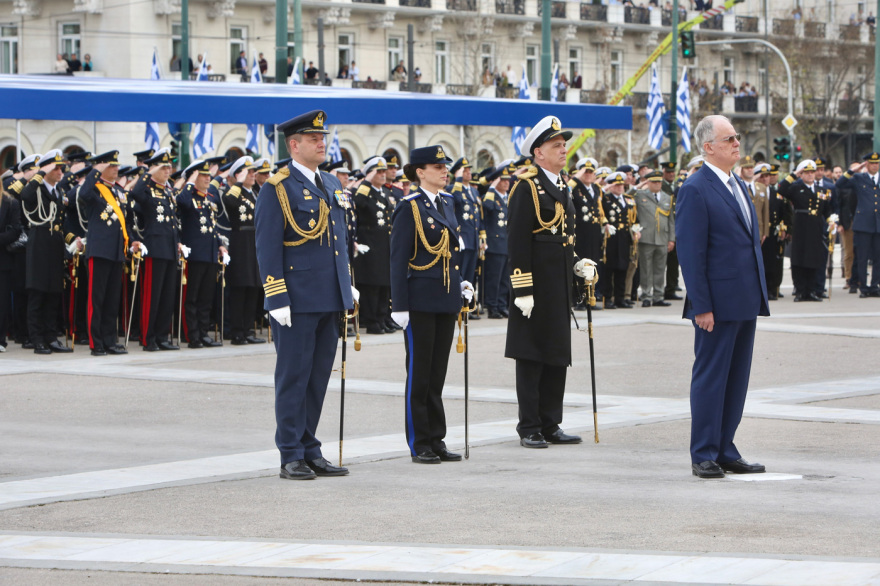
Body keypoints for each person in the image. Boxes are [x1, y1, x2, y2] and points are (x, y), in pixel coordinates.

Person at [254, 109, 356, 480]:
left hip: (329, 295)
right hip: (295, 299)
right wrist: (276, 296)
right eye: (313, 138)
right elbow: (267, 247)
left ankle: (310, 448)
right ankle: (290, 453)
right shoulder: (276, 187)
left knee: (317, 377)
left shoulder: (330, 183)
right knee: (293, 376)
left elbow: (340, 242)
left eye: (322, 137)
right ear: (294, 145)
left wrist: (347, 285)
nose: (321, 142)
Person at [676, 115, 769, 479]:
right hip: (715, 302)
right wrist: (702, 305)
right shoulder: (696, 188)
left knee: (736, 378)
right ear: (708, 147)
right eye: (729, 138)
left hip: (744, 298)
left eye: (737, 137)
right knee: (712, 377)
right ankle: (703, 452)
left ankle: (725, 447)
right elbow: (691, 253)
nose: (737, 143)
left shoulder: (738, 185)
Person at [505, 116, 595, 448]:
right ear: (538, 152)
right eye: (556, 145)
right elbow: (517, 243)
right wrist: (522, 289)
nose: (563, 149)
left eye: (564, 144)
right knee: (531, 355)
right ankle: (529, 425)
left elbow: (563, 240)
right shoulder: (527, 187)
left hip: (558, 285)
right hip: (533, 288)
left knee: (557, 353)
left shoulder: (561, 186)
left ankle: (550, 422)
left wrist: (576, 265)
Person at [390, 145, 472, 464]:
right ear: (420, 172)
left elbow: (450, 251)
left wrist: (462, 280)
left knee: (437, 374)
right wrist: (399, 305)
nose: (444, 170)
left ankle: (437, 438)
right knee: (420, 375)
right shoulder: (409, 207)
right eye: (437, 167)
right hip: (420, 301)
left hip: (446, 298)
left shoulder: (449, 202)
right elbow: (398, 259)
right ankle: (420, 441)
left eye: (445, 166)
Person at [77, 150, 141, 355]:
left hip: (116, 251)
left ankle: (110, 340)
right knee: (97, 299)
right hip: (99, 251)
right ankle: (97, 343)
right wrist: (95, 170)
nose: (116, 169)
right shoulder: (94, 188)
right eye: (111, 165)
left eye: (116, 165)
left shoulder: (119, 192)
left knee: (113, 300)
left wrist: (132, 241)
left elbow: (125, 222)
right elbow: (83, 195)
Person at [20, 150, 74, 355]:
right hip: (40, 241)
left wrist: (71, 240)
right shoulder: (36, 188)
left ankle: (51, 337)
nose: (61, 172)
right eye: (57, 168)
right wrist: (40, 174)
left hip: (55, 244)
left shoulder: (58, 191)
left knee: (53, 292)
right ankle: (37, 339)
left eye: (61, 168)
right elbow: (24, 196)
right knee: (38, 292)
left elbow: (61, 222)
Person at [128, 148, 182, 352]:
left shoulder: (167, 191)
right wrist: (149, 173)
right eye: (164, 167)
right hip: (154, 248)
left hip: (168, 248)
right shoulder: (148, 188)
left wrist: (177, 241)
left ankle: (162, 336)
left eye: (169, 167)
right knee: (152, 296)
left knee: (167, 296)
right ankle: (148, 337)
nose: (168, 171)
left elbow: (173, 222)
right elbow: (135, 193)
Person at [177, 159, 226, 348]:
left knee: (206, 297)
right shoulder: (189, 197)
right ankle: (193, 335)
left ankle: (204, 332)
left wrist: (220, 244)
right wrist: (190, 181)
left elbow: (212, 227)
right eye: (203, 175)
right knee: (193, 297)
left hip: (210, 253)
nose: (207, 179)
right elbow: (182, 202)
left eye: (208, 175)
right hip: (194, 254)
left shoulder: (209, 199)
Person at [222, 156, 266, 345]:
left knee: (253, 287)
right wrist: (238, 182)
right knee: (240, 287)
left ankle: (249, 329)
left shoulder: (254, 193)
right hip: (240, 241)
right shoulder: (235, 192)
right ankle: (237, 331)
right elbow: (229, 202)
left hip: (254, 241)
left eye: (252, 172)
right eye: (248, 172)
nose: (252, 175)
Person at [778, 160, 835, 301]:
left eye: (812, 172)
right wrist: (794, 175)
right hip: (800, 228)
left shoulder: (822, 191)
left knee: (814, 259)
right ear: (802, 175)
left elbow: (827, 210)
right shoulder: (796, 188)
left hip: (815, 229)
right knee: (799, 259)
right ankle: (800, 291)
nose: (810, 175)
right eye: (806, 173)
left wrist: (831, 222)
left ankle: (811, 290)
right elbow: (781, 189)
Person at [352, 156, 393, 334]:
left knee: (384, 283)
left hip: (384, 244)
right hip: (371, 243)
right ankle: (372, 320)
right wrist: (367, 181)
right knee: (372, 285)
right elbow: (358, 203)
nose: (383, 175)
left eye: (384, 171)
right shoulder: (365, 191)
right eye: (379, 172)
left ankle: (382, 317)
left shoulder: (384, 194)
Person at [836, 152, 880, 297]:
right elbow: (839, 183)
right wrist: (852, 171)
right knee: (862, 257)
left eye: (877, 163)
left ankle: (874, 286)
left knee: (877, 257)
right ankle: (864, 287)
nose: (875, 165)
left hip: (878, 224)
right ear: (866, 164)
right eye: (872, 163)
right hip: (863, 224)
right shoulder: (859, 178)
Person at [633, 171, 674, 307]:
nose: (657, 184)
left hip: (662, 237)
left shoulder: (667, 198)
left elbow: (671, 220)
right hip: (646, 237)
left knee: (660, 268)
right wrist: (640, 185)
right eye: (654, 182)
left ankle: (658, 296)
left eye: (659, 182)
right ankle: (646, 295)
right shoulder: (640, 195)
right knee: (646, 269)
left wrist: (671, 239)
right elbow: (627, 194)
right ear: (648, 183)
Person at [600, 172, 636, 309]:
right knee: (609, 269)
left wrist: (637, 231)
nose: (620, 187)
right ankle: (608, 298)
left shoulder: (628, 199)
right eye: (617, 185)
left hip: (625, 237)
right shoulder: (606, 199)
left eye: (622, 185)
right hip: (611, 238)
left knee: (623, 267)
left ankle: (620, 298)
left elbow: (634, 219)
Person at [481, 163, 512, 318]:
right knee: (494, 278)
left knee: (504, 279)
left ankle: (501, 305)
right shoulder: (492, 197)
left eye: (508, 180)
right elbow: (487, 206)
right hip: (494, 244)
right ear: (496, 182)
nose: (507, 183)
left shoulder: (507, 198)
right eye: (503, 180)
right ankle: (492, 306)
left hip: (506, 244)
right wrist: (491, 188)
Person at [0, 180, 23, 352]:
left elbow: (16, 230)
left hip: (3, 258)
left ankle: (1, 339)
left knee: (2, 301)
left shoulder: (9, 202)